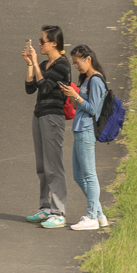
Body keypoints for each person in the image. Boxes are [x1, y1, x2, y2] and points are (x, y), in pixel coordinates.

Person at [23, 26, 71, 229]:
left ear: (54, 43)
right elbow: (29, 88)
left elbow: (45, 87)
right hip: (39, 115)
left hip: (53, 117)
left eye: (42, 41)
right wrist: (30, 65)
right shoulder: (44, 63)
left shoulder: (62, 65)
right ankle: (45, 207)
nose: (39, 44)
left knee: (54, 166)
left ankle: (58, 211)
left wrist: (36, 64)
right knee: (42, 166)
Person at [60, 44, 108, 230]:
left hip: (87, 130)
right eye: (74, 63)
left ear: (88, 59)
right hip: (80, 129)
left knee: (89, 175)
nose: (76, 66)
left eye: (78, 62)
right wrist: (75, 95)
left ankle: (91, 217)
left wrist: (76, 96)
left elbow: (94, 110)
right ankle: (99, 214)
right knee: (78, 175)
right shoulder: (87, 80)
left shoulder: (96, 81)